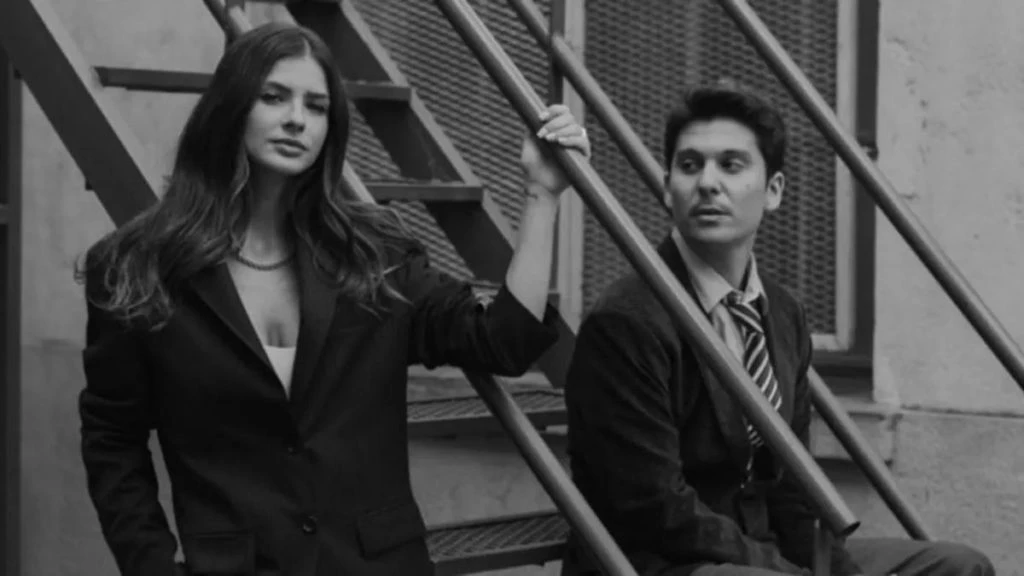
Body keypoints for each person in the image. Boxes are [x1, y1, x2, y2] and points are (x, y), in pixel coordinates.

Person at [77, 22, 589, 576]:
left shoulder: (371, 254)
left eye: (316, 106)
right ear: (230, 108)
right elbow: (113, 440)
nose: (297, 119)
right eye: (274, 97)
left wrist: (541, 195)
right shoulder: (137, 266)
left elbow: (502, 341)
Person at [560, 83, 993, 576]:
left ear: (774, 191)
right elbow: (654, 509)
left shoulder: (783, 312)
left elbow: (791, 487)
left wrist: (830, 569)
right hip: (661, 562)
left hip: (760, 552)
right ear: (666, 187)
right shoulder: (625, 322)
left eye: (731, 165)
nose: (707, 183)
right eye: (690, 165)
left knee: (958, 567)